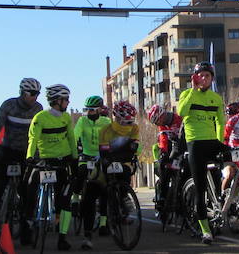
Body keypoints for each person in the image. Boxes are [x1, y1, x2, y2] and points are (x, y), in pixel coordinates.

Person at [176, 61, 225, 245]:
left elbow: (220, 122)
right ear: (195, 78)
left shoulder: (216, 98)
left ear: (212, 78)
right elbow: (181, 112)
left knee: (236, 157)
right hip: (195, 143)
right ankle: (205, 231)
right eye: (201, 75)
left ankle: (233, 196)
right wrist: (192, 91)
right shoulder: (186, 95)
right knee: (200, 187)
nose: (204, 79)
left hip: (212, 142)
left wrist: (220, 143)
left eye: (207, 76)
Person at [80, 100, 139, 250]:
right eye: (125, 121)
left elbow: (134, 149)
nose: (128, 125)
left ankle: (122, 198)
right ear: (117, 118)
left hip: (123, 162)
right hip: (105, 161)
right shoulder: (105, 130)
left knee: (124, 172)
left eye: (130, 122)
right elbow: (104, 153)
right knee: (90, 196)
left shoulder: (135, 128)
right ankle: (87, 235)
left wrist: (129, 154)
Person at [25, 83, 78, 250]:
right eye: (66, 99)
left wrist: (75, 158)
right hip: (45, 160)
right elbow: (33, 139)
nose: (68, 102)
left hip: (63, 160)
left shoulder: (66, 118)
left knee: (65, 200)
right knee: (29, 186)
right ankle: (28, 220)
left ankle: (62, 237)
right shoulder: (40, 117)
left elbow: (71, 138)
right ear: (57, 101)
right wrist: (29, 156)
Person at [0, 77, 44, 231]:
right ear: (22, 93)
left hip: (26, 153)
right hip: (7, 150)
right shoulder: (8, 105)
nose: (35, 97)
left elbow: (39, 135)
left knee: (26, 192)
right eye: (32, 93)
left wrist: (38, 156)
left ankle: (26, 228)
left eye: (37, 94)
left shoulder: (38, 108)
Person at [72, 96, 110, 213]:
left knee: (107, 179)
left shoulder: (106, 122)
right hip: (86, 154)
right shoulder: (82, 121)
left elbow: (111, 138)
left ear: (99, 110)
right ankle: (75, 198)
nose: (89, 112)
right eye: (86, 109)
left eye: (92, 109)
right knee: (81, 171)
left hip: (101, 155)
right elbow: (75, 135)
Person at [147, 103, 182, 213]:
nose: (157, 123)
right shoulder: (162, 126)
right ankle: (162, 195)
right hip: (170, 147)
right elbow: (163, 140)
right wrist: (163, 153)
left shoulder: (178, 119)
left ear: (162, 115)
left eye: (157, 120)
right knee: (164, 166)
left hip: (181, 146)